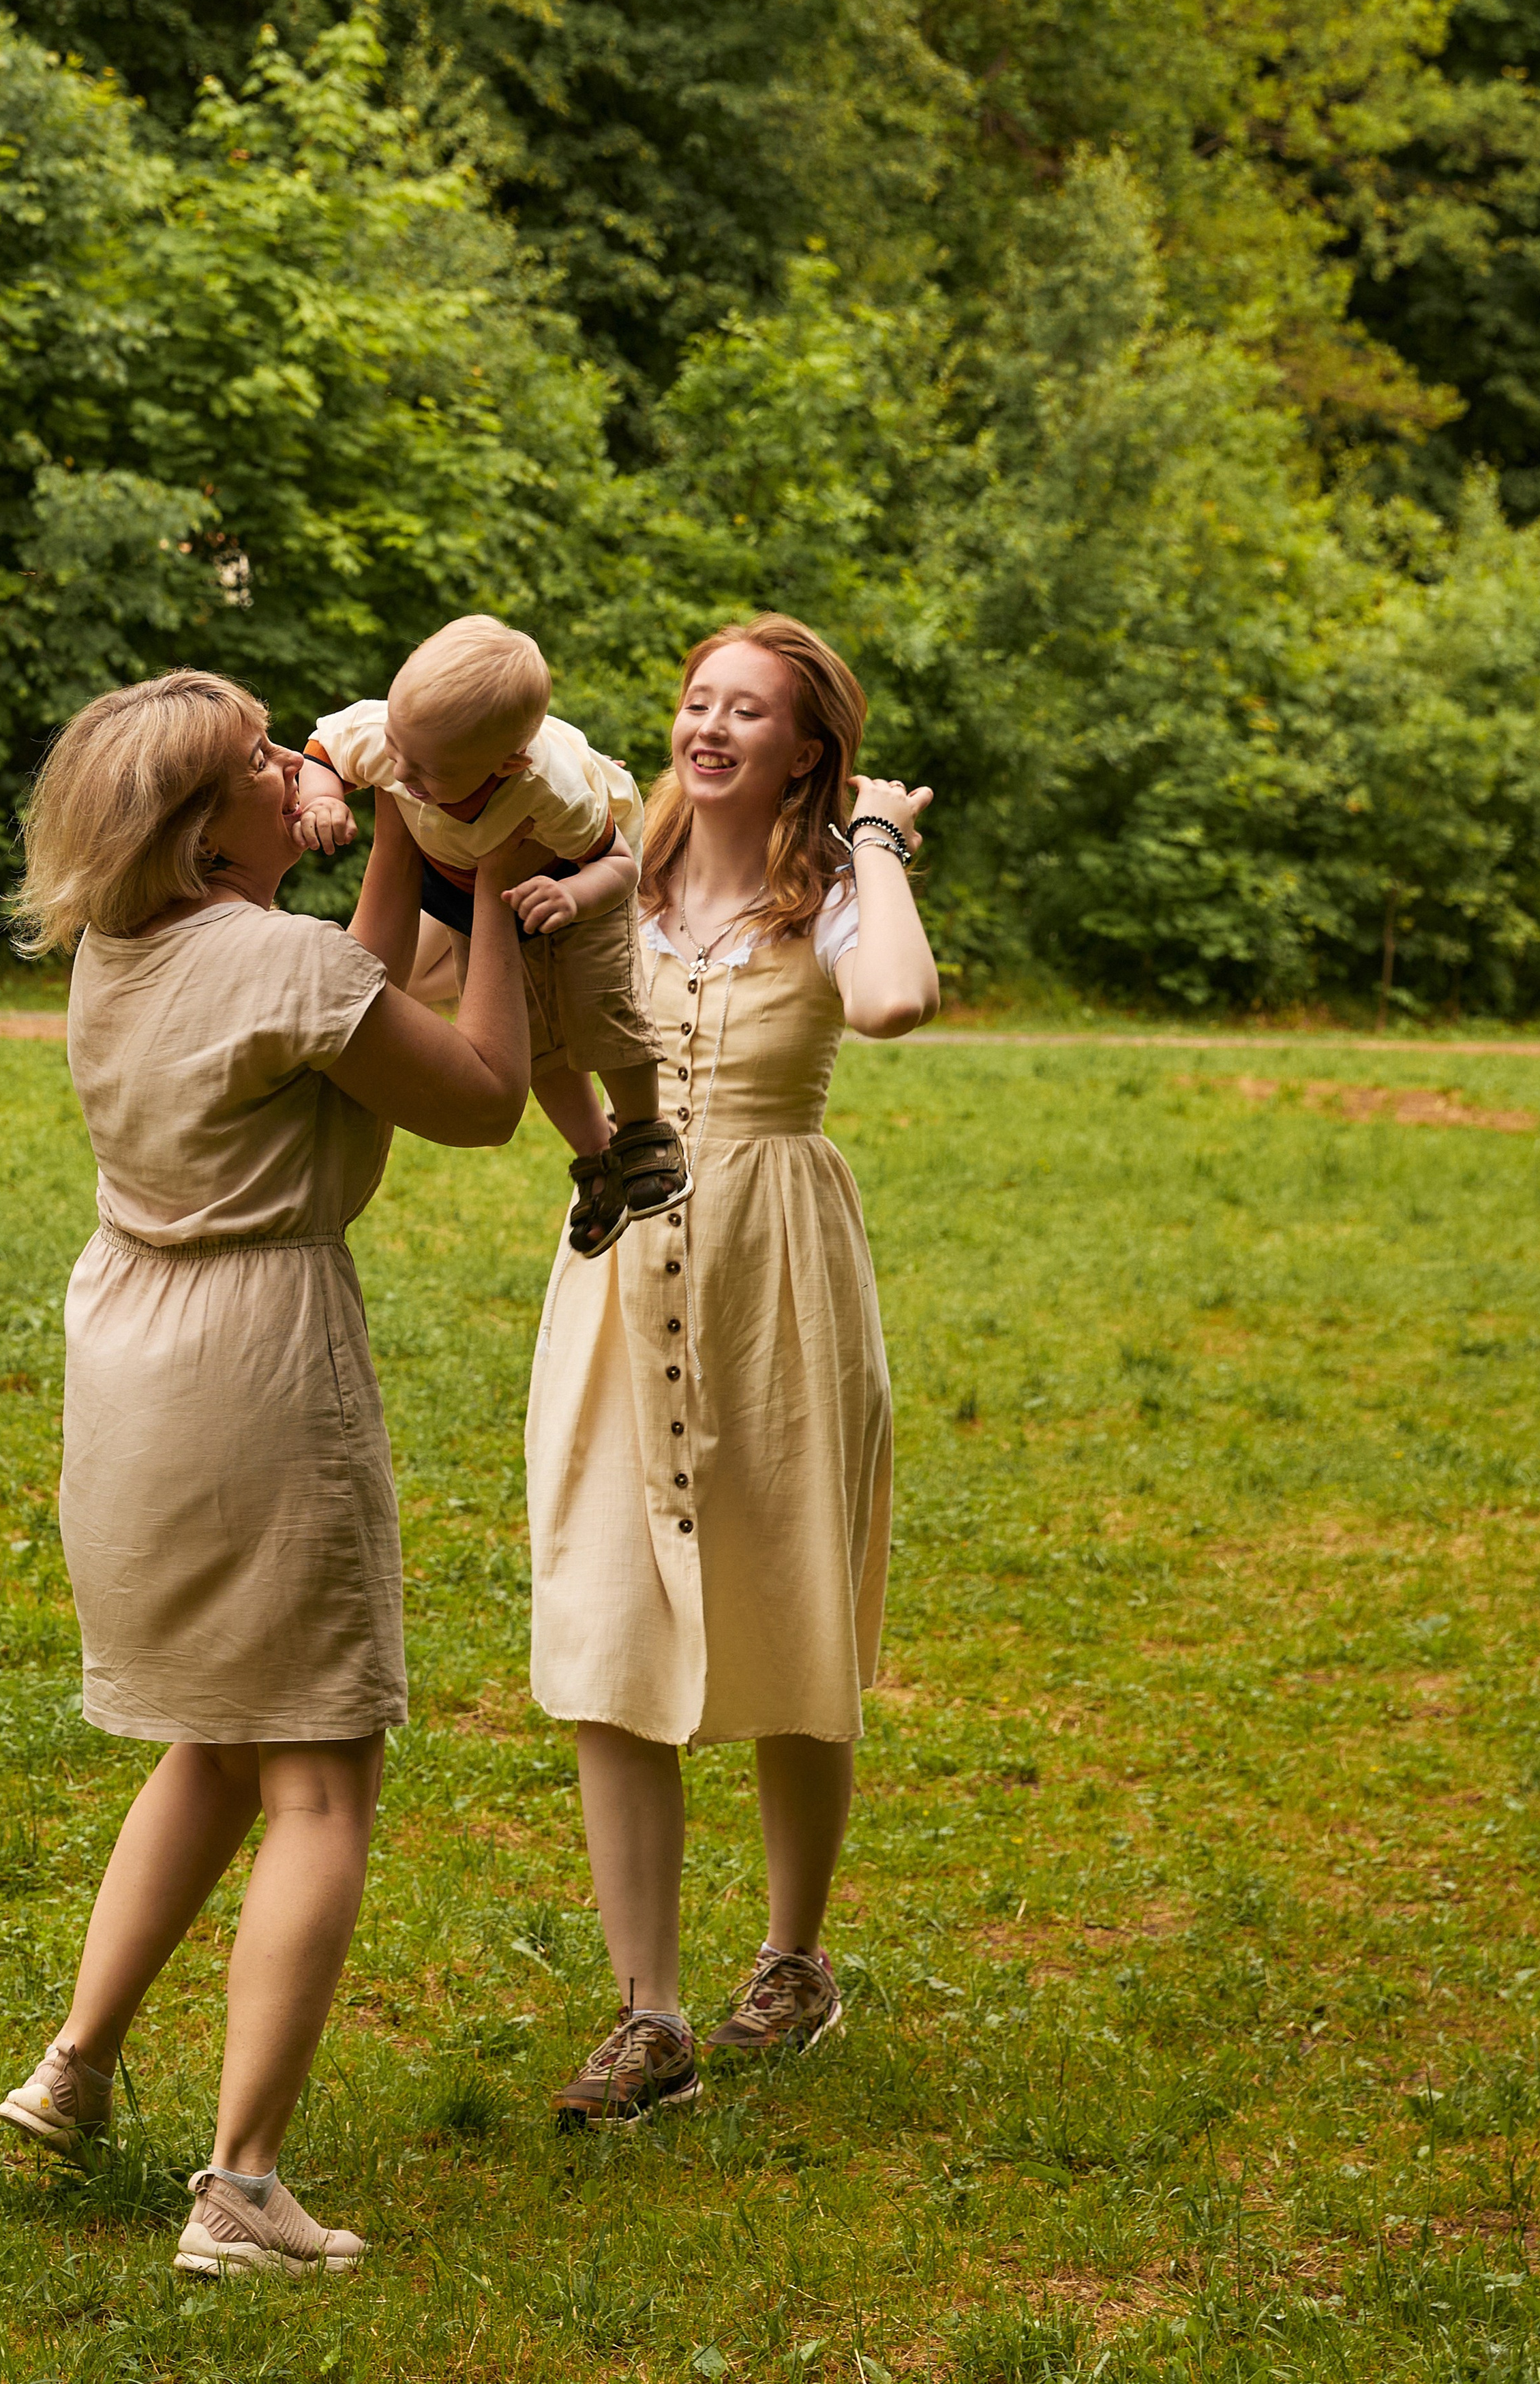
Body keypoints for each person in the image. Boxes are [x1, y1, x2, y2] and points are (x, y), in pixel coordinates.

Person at [0, 669, 530, 2276]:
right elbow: (487, 1097)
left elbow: (334, 986)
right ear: (198, 821)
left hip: (136, 1356)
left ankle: (74, 2065)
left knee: (212, 1741)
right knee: (312, 1773)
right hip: (255, 1365)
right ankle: (239, 2185)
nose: (291, 755)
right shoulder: (272, 963)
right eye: (256, 757)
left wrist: (384, 837)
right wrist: (497, 859)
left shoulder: (127, 944)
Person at [523, 614, 940, 2128]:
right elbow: (488, 1018)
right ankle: (648, 2018)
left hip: (777, 1273)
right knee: (608, 1621)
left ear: (805, 752)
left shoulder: (827, 892)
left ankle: (793, 1959)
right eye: (696, 701)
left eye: (746, 713)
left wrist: (875, 841)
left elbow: (893, 1003)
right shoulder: (603, 889)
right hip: (620, 1264)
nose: (707, 730)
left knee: (787, 1609)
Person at [297, 613, 691, 1255]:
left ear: (509, 762)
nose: (399, 772)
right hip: (466, 882)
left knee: (599, 1007)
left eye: (427, 770)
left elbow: (620, 865)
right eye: (396, 748)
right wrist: (323, 800)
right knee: (524, 1032)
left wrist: (569, 895)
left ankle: (645, 1135)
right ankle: (595, 1155)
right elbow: (323, 756)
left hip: (578, 874)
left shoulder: (553, 791)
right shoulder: (394, 737)